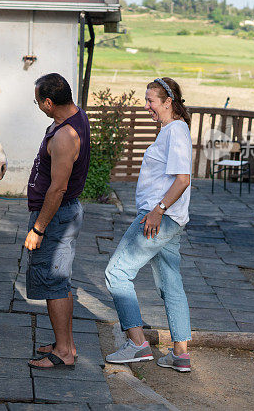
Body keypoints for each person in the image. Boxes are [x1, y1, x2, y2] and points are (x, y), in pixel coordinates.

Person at [104, 76, 193, 372]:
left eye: (151, 101)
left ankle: (138, 345)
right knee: (171, 283)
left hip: (160, 219)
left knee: (116, 273)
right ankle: (180, 354)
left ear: (168, 102)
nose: (146, 106)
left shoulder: (175, 131)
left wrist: (157, 210)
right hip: (168, 220)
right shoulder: (170, 130)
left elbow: (183, 179)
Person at [24, 73, 90, 370]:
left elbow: (58, 188)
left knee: (54, 282)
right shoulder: (73, 117)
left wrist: (39, 228)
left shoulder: (65, 135)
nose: (37, 105)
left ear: (49, 102)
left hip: (57, 217)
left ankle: (64, 351)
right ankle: (66, 343)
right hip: (62, 214)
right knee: (58, 281)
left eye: (38, 101)